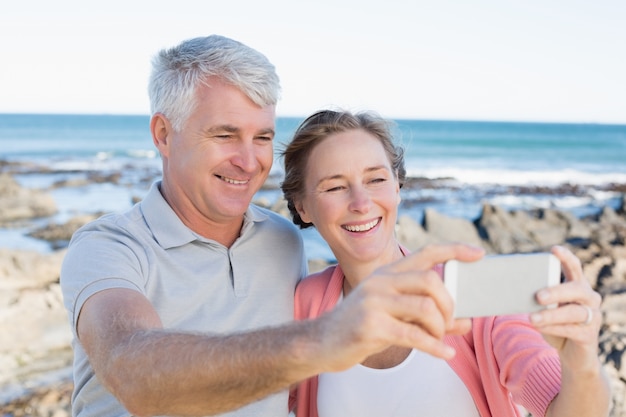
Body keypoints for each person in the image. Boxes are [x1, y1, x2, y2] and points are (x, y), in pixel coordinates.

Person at [60, 35, 486, 417]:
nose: (249, 162)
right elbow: (136, 376)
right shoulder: (107, 247)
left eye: (262, 137)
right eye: (225, 135)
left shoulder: (281, 240)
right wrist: (323, 338)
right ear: (163, 135)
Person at [281, 109, 611, 417]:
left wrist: (581, 365)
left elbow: (561, 406)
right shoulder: (302, 307)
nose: (361, 203)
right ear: (303, 207)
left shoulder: (477, 298)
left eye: (376, 179)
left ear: (397, 187)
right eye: (335, 186)